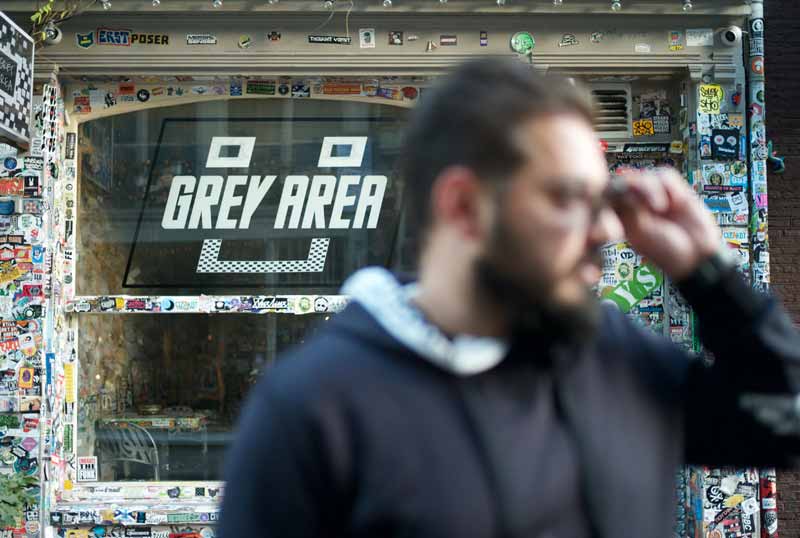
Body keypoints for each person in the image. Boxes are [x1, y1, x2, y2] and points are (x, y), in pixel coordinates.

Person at [219, 58, 800, 538]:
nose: (607, 231)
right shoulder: (315, 409)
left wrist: (709, 271)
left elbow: (786, 422)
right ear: (465, 206)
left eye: (606, 202)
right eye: (568, 198)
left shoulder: (612, 357)